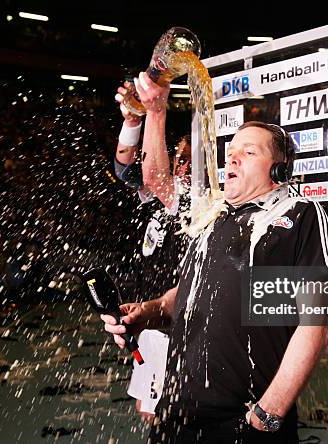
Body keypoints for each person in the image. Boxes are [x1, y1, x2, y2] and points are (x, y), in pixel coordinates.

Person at [102, 120, 328, 443]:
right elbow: (187, 292)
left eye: (249, 152)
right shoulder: (211, 215)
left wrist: (271, 410)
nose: (234, 158)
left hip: (244, 420)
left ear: (280, 171)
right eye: (232, 152)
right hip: (176, 414)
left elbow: (319, 320)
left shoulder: (298, 215)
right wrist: (147, 312)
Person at [113, 76, 191, 422]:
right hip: (151, 320)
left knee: (172, 417)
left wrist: (154, 111)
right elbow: (126, 169)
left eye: (189, 159)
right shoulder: (160, 197)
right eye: (178, 158)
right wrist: (132, 122)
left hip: (182, 324)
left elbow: (153, 175)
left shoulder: (197, 201)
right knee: (148, 412)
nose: (182, 165)